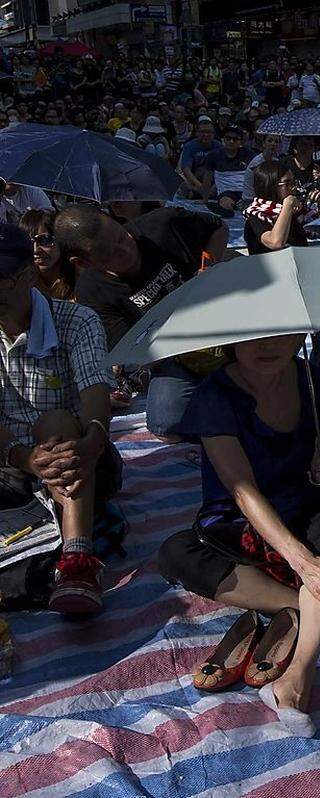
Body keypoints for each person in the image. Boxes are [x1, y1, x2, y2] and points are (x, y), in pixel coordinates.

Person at [156, 333, 320, 736]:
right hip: (238, 524)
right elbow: (242, 489)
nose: (267, 346)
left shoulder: (308, 376)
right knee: (174, 553)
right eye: (253, 337)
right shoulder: (215, 395)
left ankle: (297, 675)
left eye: (279, 333)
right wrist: (301, 560)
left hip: (302, 507)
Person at [0, 223, 120, 615]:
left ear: (27, 276)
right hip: (13, 462)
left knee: (55, 425)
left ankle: (77, 560)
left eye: (3, 281)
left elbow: (95, 392)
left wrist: (95, 438)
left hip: (81, 457)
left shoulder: (76, 320)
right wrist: (24, 458)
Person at [55, 204, 229, 441]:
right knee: (165, 422)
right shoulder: (91, 293)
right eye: (110, 253)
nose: (125, 249)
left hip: (227, 318)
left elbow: (218, 227)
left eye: (121, 236)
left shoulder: (163, 223)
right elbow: (132, 350)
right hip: (175, 353)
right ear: (83, 262)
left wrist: (209, 265)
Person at [244, 160, 311, 254]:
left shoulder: (296, 211)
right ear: (270, 186)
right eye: (287, 184)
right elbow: (275, 242)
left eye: (293, 182)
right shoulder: (256, 216)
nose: (293, 188)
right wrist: (287, 206)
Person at [18, 209, 72, 301]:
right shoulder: (19, 284)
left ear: (61, 241)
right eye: (28, 242)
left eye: (44, 240)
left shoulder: (79, 279)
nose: (36, 250)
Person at [202, 125, 253, 216]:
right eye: (228, 138)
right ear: (223, 139)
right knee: (226, 205)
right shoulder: (213, 156)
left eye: (235, 139)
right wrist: (205, 200)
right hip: (226, 193)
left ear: (240, 141)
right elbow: (207, 179)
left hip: (245, 193)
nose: (231, 141)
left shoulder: (248, 154)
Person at [178, 118, 220, 199]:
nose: (206, 135)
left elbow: (222, 169)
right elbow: (186, 169)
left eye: (209, 132)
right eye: (203, 132)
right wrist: (200, 186)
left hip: (214, 182)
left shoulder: (219, 146)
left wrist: (214, 186)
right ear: (197, 133)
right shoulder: (190, 146)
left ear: (213, 134)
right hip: (194, 181)